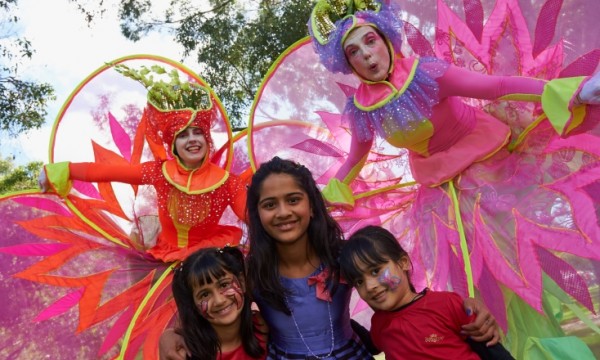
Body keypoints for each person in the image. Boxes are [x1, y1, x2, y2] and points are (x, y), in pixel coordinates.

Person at [307, 1, 600, 358]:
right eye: (354, 51)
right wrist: (320, 199)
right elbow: (354, 158)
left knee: (512, 260)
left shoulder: (428, 73)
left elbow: (498, 86)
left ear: (386, 39)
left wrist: (570, 92)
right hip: (439, 191)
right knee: (476, 277)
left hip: (487, 168)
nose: (367, 55)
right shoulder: (362, 108)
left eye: (370, 41)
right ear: (348, 64)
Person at [244, 156, 498, 359]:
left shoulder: (342, 256)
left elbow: (411, 304)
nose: (283, 212)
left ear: (312, 206)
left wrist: (470, 305)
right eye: (269, 205)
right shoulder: (250, 271)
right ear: (257, 213)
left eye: (293, 200)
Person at [38, 64, 248, 262]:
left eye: (198, 133)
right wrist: (63, 170)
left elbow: (255, 217)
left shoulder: (229, 183)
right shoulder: (159, 172)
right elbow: (106, 171)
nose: (192, 139)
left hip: (207, 262)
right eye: (183, 135)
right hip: (161, 257)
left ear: (206, 140)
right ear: (174, 145)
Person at [340, 225, 514, 360]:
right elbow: (375, 345)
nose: (369, 286)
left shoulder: (447, 304)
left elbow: (493, 351)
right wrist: (336, 318)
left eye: (375, 271)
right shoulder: (379, 324)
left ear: (403, 263)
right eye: (359, 281)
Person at [167, 245, 267, 360]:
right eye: (204, 294)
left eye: (224, 285)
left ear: (242, 282)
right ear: (193, 304)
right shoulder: (185, 354)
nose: (219, 301)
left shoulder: (262, 325)